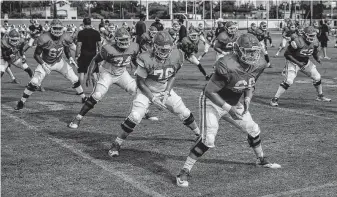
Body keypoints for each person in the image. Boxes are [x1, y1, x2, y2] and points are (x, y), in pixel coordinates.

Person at [176, 33, 281, 188]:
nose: (252, 55)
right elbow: (209, 91)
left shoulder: (259, 63)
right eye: (248, 51)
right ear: (238, 50)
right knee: (208, 139)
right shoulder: (226, 64)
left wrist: (247, 98)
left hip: (234, 102)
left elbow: (250, 83)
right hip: (213, 101)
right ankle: (184, 171)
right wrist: (228, 109)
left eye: (254, 51)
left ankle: (260, 159)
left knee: (253, 129)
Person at [108, 31, 200, 157]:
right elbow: (140, 82)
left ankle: (199, 134)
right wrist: (152, 98)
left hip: (164, 89)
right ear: (155, 46)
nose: (164, 52)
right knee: (135, 116)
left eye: (167, 49)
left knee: (184, 112)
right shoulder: (146, 57)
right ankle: (117, 143)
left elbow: (172, 76)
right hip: (146, 90)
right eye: (161, 49)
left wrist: (167, 91)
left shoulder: (177, 55)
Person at [68, 28, 158, 129]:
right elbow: (95, 60)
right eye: (122, 40)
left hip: (122, 73)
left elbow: (133, 57)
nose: (124, 42)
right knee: (97, 95)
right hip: (107, 73)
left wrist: (137, 67)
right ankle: (77, 118)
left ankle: (146, 112)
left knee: (139, 91)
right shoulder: (108, 48)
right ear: (116, 39)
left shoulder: (134, 46)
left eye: (126, 39)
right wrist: (89, 73)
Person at [15, 19, 86, 111]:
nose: (57, 30)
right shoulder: (44, 38)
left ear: (62, 29)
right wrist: (43, 64)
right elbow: (36, 55)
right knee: (35, 82)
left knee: (75, 78)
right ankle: (21, 101)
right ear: (51, 28)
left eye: (59, 28)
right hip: (46, 63)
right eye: (55, 28)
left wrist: (70, 58)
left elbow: (67, 49)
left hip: (59, 62)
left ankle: (84, 97)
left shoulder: (65, 37)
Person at [270, 26, 331, 107]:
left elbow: (314, 52)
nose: (313, 37)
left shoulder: (315, 42)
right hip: (293, 63)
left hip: (305, 62)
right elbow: (287, 54)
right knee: (289, 81)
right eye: (311, 35)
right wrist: (298, 63)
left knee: (317, 77)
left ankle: (320, 96)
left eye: (314, 35)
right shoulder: (297, 42)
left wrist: (317, 59)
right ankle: (274, 99)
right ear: (305, 35)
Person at [75, 17, 102, 87]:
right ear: (90, 23)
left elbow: (78, 45)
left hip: (84, 55)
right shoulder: (96, 32)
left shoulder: (81, 33)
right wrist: (101, 55)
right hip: (93, 55)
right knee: (94, 73)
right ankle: (95, 89)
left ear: (83, 23)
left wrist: (76, 55)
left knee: (82, 72)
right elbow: (99, 45)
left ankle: (80, 90)